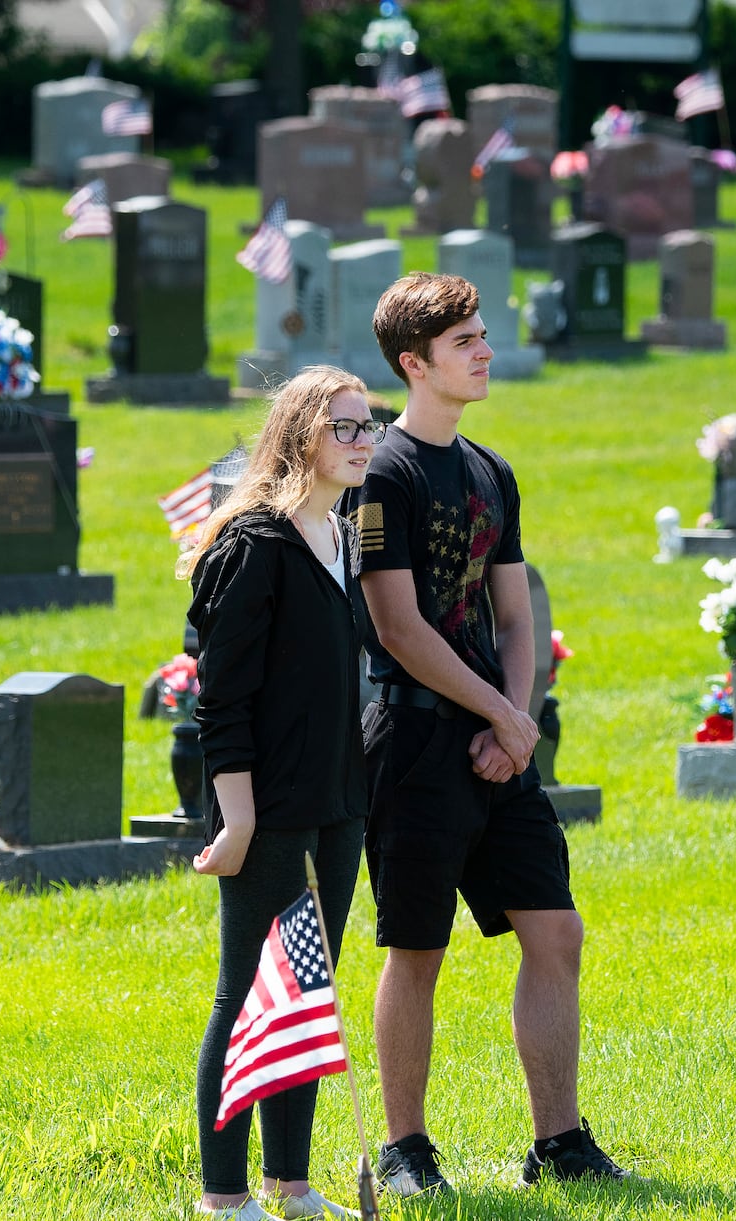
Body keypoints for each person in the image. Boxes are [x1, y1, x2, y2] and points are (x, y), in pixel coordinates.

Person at [353, 273, 629, 1193]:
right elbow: (397, 626)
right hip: (413, 743)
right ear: (413, 362)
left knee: (555, 930)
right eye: (464, 339)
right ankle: (404, 1151)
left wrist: (516, 724)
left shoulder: (491, 471)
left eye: (481, 334)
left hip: (494, 743)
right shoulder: (380, 474)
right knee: (417, 948)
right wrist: (503, 715)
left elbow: (514, 617)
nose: (484, 350)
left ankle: (560, 1143)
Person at [182, 366, 378, 1221]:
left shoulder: (342, 535)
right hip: (266, 807)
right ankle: (225, 1198)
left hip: (336, 800)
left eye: (369, 425)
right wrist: (240, 814)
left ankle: (290, 1186)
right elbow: (218, 696)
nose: (363, 440)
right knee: (243, 991)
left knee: (307, 989)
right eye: (345, 427)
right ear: (300, 434)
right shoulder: (253, 544)